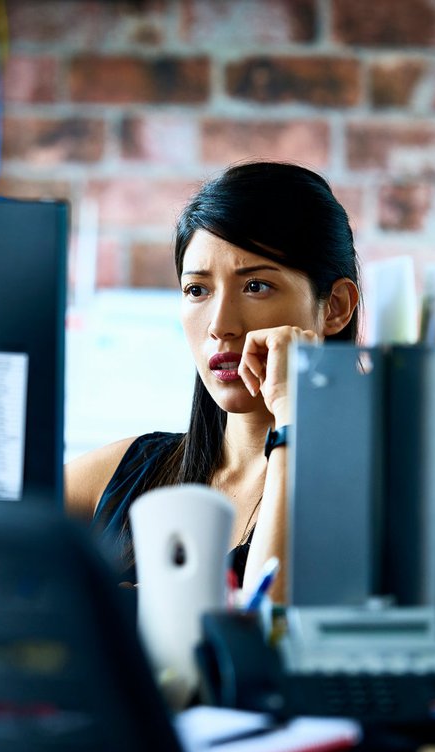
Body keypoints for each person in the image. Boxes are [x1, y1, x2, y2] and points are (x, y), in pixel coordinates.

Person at [65, 161, 361, 604]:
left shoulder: (369, 494)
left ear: (335, 307)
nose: (220, 326)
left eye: (257, 285)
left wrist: (295, 418)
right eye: (197, 290)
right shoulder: (129, 470)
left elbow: (271, 628)